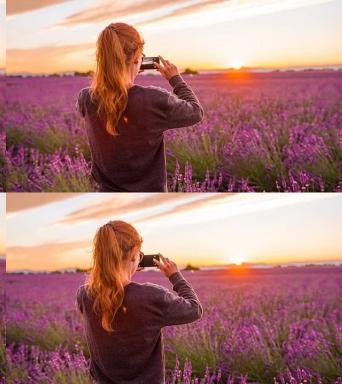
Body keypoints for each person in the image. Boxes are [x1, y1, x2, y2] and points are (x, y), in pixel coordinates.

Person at [77, 23, 204, 192]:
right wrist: (175, 79)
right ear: (137, 58)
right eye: (141, 55)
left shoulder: (86, 98)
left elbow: (115, 99)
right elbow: (196, 112)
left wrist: (128, 74)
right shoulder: (154, 99)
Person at [76, 220, 203, 383]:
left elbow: (114, 296)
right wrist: (175, 276)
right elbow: (194, 309)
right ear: (133, 255)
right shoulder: (150, 296)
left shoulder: (84, 295)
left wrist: (126, 271)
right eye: (139, 253)